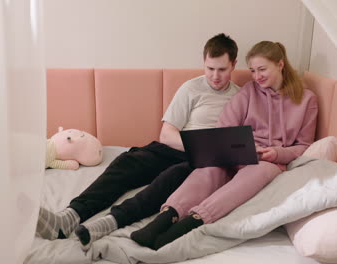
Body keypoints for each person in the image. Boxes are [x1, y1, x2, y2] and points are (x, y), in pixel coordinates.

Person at [36, 33, 241, 251]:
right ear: (204, 63)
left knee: (168, 180)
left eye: (222, 69)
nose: (215, 76)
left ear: (234, 65)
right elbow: (167, 134)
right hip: (176, 147)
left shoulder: (241, 98)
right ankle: (69, 217)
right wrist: (198, 144)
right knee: (127, 162)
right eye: (210, 69)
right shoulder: (191, 89)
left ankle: (107, 224)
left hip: (203, 162)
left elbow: (239, 143)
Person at [130, 40, 318, 250]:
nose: (257, 76)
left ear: (280, 64)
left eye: (262, 69)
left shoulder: (307, 100)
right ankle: (167, 216)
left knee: (257, 172)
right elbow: (224, 127)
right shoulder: (248, 92)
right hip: (239, 151)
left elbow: (303, 146)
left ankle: (193, 221)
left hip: (270, 161)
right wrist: (238, 148)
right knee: (210, 167)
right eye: (253, 70)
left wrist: (276, 153)